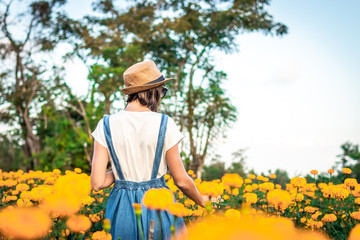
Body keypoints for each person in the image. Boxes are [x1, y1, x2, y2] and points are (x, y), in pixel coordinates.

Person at [90, 60, 207, 240]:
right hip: (158, 204)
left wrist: (123, 172)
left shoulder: (105, 124)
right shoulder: (165, 123)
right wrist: (202, 201)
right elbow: (181, 181)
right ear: (153, 91)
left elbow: (97, 183)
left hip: (122, 208)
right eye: (162, 91)